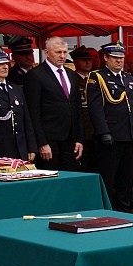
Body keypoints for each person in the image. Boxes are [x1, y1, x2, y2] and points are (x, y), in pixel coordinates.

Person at [86, 44, 133, 211]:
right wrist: (103, 131)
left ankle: (124, 210)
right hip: (111, 135)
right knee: (109, 177)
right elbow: (95, 109)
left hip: (129, 134)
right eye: (115, 57)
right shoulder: (97, 77)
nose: (119, 60)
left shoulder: (128, 78)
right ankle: (107, 211)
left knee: (125, 178)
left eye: (121, 58)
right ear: (106, 58)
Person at [24, 36, 84, 171]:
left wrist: (80, 139)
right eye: (58, 52)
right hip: (49, 139)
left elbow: (77, 108)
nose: (62, 56)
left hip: (70, 138)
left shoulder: (71, 74)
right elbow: (33, 112)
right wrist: (41, 143)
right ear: (46, 52)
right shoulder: (36, 75)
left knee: (70, 177)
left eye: (65, 52)